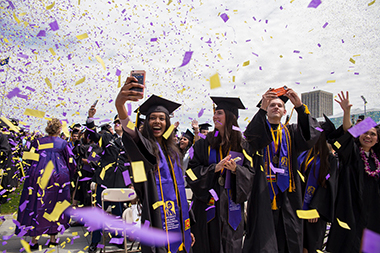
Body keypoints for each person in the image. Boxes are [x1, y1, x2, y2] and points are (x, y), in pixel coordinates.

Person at [115, 76, 194, 253]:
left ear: (167, 123)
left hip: (179, 219)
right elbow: (132, 134)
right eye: (152, 118)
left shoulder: (174, 152)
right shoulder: (148, 146)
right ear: (147, 123)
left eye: (161, 118)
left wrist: (187, 227)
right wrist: (120, 106)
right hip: (156, 214)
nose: (157, 122)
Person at [243, 88, 320, 253]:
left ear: (285, 111)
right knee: (262, 237)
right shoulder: (260, 129)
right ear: (266, 109)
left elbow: (310, 136)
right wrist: (261, 109)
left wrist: (299, 107)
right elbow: (250, 138)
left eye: (279, 105)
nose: (276, 107)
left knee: (289, 236)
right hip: (263, 192)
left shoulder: (291, 132)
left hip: (288, 193)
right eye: (271, 105)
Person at [186, 97, 254, 253]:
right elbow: (190, 172)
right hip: (207, 207)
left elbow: (251, 174)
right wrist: (213, 169)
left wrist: (237, 170)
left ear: (231, 117)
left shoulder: (242, 145)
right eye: (215, 113)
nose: (215, 116)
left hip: (231, 207)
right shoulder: (202, 144)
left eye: (220, 113)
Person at [326, 91, 380, 252]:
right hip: (351, 208)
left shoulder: (378, 158)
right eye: (365, 132)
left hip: (374, 212)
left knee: (371, 247)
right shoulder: (353, 153)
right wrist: (347, 112)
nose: (368, 136)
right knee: (350, 245)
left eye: (373, 134)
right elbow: (349, 134)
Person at [15, 118, 76, 249]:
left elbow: (27, 159)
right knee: (55, 205)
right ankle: (53, 239)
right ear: (59, 129)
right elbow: (71, 161)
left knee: (36, 204)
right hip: (58, 177)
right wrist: (71, 174)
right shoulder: (63, 143)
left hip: (38, 176)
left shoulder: (37, 142)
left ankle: (34, 240)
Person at [85, 111, 131, 253]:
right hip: (104, 179)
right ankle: (95, 241)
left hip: (120, 182)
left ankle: (117, 238)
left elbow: (129, 164)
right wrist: (90, 118)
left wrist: (130, 183)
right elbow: (92, 135)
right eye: (115, 122)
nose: (117, 124)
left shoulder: (131, 142)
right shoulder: (107, 137)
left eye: (120, 122)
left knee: (118, 211)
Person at [297, 114, 338, 253]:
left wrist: (315, 208)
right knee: (298, 243)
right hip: (297, 205)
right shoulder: (303, 153)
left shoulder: (329, 159)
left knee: (311, 246)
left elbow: (327, 186)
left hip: (314, 210)